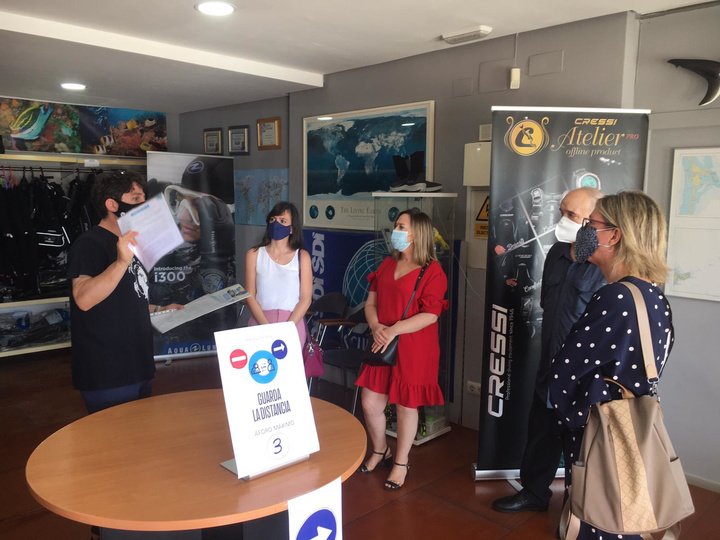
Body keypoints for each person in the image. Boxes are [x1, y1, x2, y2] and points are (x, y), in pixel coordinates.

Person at [549, 190, 674, 540]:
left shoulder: (614, 297)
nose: (586, 231)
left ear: (615, 235)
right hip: (633, 431)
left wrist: (570, 418)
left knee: (597, 518)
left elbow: (565, 377)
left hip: (601, 438)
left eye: (592, 224)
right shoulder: (653, 296)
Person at [493, 187, 606, 514]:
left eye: (572, 215)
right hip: (550, 362)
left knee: (582, 445)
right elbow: (547, 304)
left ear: (594, 222)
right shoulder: (557, 252)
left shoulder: (605, 263)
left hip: (585, 373)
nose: (562, 220)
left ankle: (579, 510)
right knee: (541, 431)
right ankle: (534, 493)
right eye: (562, 211)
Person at [67, 170, 181, 414]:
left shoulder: (132, 244)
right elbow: (83, 299)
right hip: (108, 370)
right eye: (136, 198)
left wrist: (161, 310)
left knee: (140, 438)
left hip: (138, 364)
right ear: (112, 204)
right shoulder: (90, 244)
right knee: (113, 444)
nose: (144, 205)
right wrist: (120, 262)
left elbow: (127, 297)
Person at [355, 209, 448, 491]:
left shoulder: (433, 271)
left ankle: (401, 462)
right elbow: (370, 303)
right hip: (382, 342)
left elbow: (431, 315)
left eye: (400, 226)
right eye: (396, 224)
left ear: (416, 233)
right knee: (371, 403)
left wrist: (392, 329)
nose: (395, 230)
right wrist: (375, 327)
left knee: (406, 406)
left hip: (414, 346)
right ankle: (380, 449)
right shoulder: (386, 265)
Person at [147, 156, 236, 354]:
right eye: (179, 201)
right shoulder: (172, 248)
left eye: (196, 206)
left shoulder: (235, 259)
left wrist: (215, 259)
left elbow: (212, 322)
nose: (182, 215)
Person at [244, 202, 312, 344]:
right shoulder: (254, 254)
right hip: (260, 321)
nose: (276, 224)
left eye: (283, 221)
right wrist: (266, 327)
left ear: (292, 229)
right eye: (273, 220)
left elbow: (306, 299)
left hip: (292, 322)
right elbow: (250, 295)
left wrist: (287, 328)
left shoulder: (302, 256)